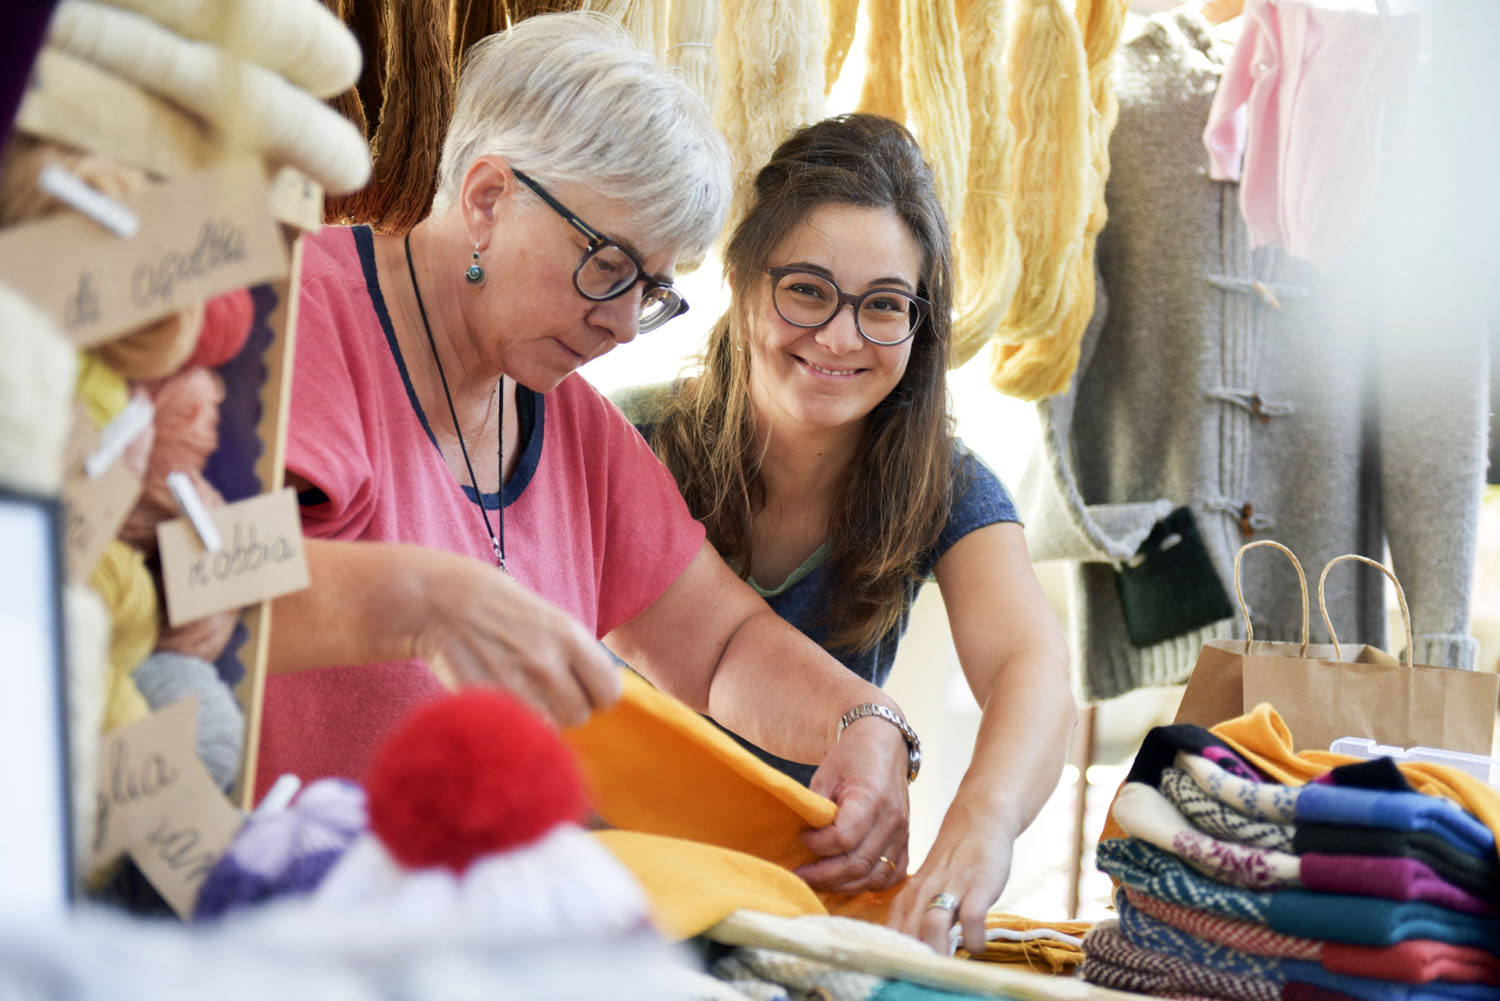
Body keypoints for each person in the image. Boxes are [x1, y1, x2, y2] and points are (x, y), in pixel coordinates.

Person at [259, 14, 914, 899]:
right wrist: (420, 603)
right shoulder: (300, 319)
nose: (617, 322)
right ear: (488, 196)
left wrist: (863, 719)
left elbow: (718, 646)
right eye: (605, 265)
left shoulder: (569, 424)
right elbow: (180, 587)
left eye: (649, 290)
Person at [617, 114, 1075, 955]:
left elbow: (1031, 664)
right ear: (746, 279)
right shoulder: (625, 441)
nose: (840, 335)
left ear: (921, 323)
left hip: (797, 905)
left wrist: (983, 824)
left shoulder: (948, 484)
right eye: (807, 289)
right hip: (609, 880)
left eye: (885, 305)